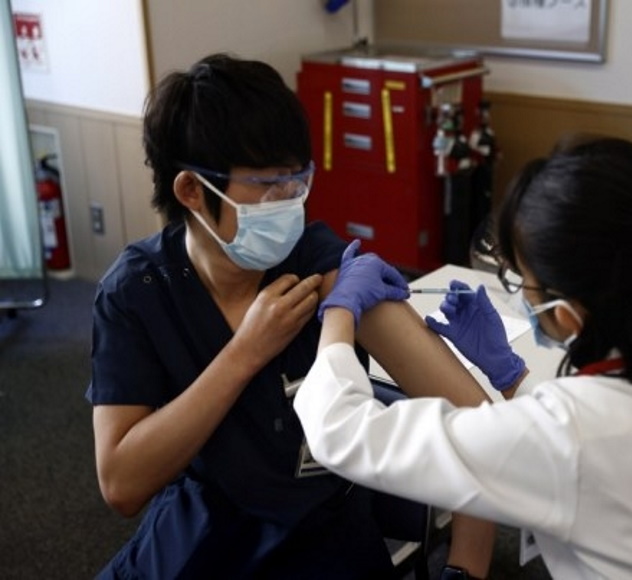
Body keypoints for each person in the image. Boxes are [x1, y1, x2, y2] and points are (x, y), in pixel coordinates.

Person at [294, 135, 632, 579]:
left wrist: (340, 310)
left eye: (527, 283)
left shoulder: (569, 438)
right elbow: (602, 443)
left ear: (568, 314)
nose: (524, 294)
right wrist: (511, 373)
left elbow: (343, 433)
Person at [87, 53, 497, 579]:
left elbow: (481, 428)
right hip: (200, 534)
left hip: (323, 541)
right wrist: (244, 355)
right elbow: (121, 484)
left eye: (296, 179)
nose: (288, 203)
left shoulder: (324, 272)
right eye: (265, 185)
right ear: (192, 190)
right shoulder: (138, 292)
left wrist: (465, 573)